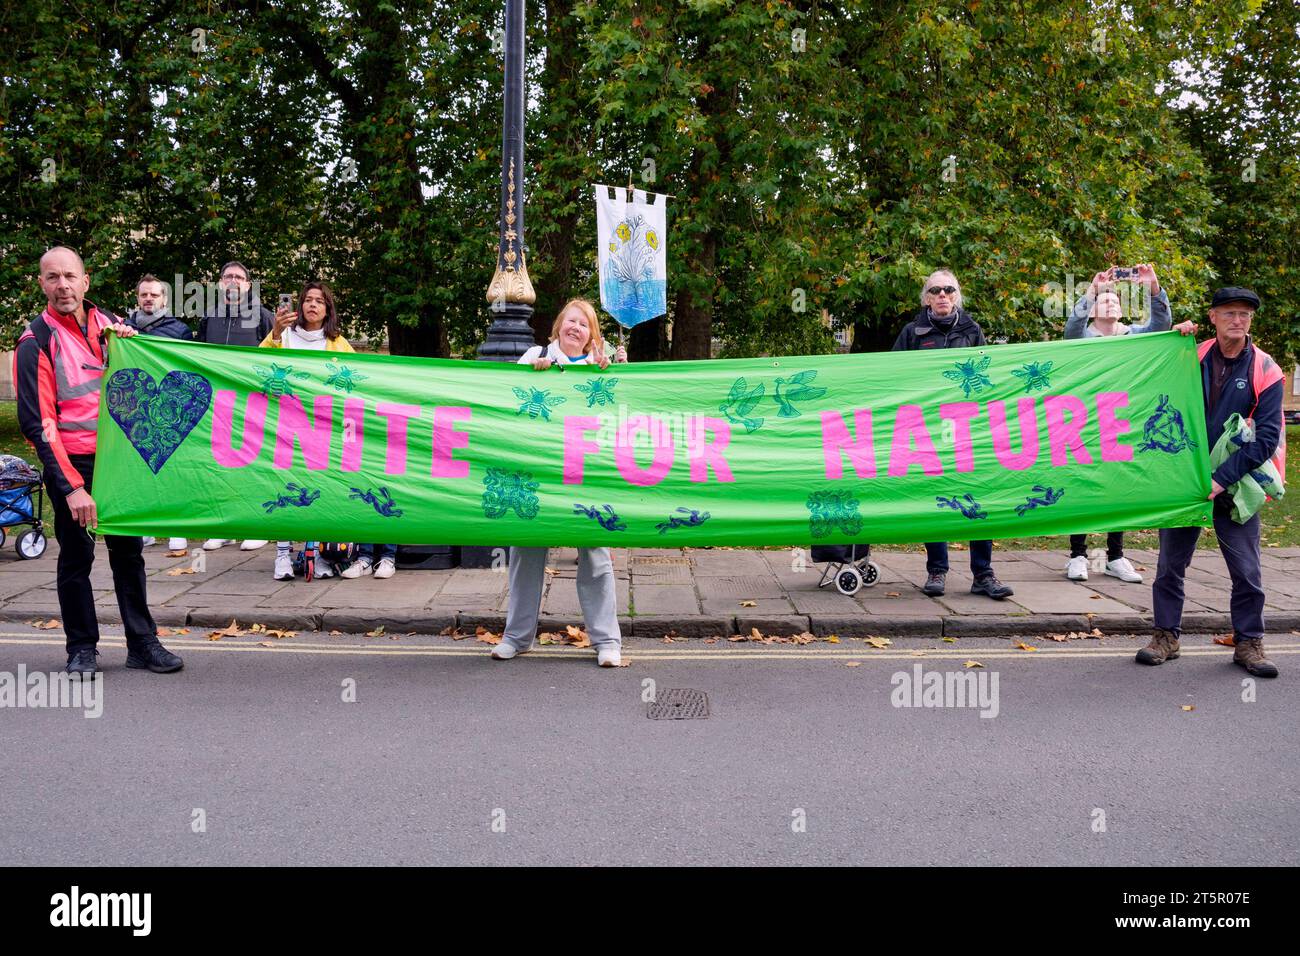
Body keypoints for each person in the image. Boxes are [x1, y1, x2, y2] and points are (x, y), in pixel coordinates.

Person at [14, 247, 183, 676]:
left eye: (70, 276)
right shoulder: (36, 342)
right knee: (76, 559)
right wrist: (72, 488)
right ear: (42, 284)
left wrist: (134, 348)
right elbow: (40, 426)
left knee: (129, 556)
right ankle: (82, 648)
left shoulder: (111, 324)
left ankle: (143, 643)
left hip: (119, 463)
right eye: (52, 277)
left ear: (85, 282)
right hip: (74, 464)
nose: (62, 285)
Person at [1141, 287, 1284, 677]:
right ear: (1213, 317)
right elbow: (1151, 377)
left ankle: (1249, 642)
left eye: (1244, 314)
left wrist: (1220, 479)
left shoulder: (1266, 369)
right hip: (1187, 480)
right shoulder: (1193, 353)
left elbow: (1267, 438)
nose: (1237, 320)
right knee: (1170, 565)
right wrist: (1175, 338)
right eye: (1229, 313)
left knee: (1247, 570)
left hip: (1237, 483)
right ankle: (1165, 636)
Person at [491, 298, 628, 667]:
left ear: (591, 336)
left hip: (586, 475)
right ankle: (516, 638)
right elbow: (504, 400)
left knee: (596, 556)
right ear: (557, 327)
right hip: (538, 475)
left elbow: (624, 411)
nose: (576, 328)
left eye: (584, 325)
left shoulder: (601, 369)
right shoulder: (534, 357)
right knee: (526, 555)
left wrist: (621, 372)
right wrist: (528, 374)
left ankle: (606, 642)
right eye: (570, 321)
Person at [892, 270, 1013, 601]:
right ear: (926, 298)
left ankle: (983, 574)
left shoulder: (972, 330)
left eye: (949, 289)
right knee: (937, 496)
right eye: (935, 290)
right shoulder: (912, 333)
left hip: (967, 428)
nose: (943, 295)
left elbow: (987, 377)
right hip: (928, 429)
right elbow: (893, 377)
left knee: (978, 496)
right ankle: (937, 570)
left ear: (957, 296)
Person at [1062, 264, 1172, 584]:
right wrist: (1092, 290)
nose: (1109, 303)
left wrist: (1153, 288)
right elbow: (1071, 327)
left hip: (1121, 422)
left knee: (1119, 486)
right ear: (1093, 309)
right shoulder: (1083, 338)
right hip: (1084, 422)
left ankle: (1115, 556)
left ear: (1123, 310)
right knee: (1082, 486)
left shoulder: (1133, 337)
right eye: (1103, 301)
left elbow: (1161, 323)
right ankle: (1078, 556)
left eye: (1114, 300)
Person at [260, 281, 356, 581]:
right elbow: (258, 366)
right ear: (299, 305)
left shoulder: (338, 342)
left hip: (323, 426)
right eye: (307, 300)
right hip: (288, 423)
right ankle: (282, 556)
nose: (312, 304)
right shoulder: (284, 335)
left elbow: (355, 380)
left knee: (319, 488)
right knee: (286, 487)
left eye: (320, 301)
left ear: (328, 309)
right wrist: (275, 333)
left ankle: (319, 555)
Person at [198, 260, 272, 553]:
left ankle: (258, 526)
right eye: (227, 276)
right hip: (219, 403)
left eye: (239, 277)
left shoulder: (263, 316)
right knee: (220, 464)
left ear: (248, 285)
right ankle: (225, 525)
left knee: (255, 464)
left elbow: (274, 354)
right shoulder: (209, 316)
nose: (232, 281)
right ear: (219, 283)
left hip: (253, 403)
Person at [128, 273, 193, 551]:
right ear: (137, 298)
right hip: (136, 408)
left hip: (170, 407)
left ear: (164, 298)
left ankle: (177, 528)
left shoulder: (180, 330)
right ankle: (148, 527)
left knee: (173, 470)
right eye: (144, 294)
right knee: (141, 469)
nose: (149, 299)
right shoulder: (124, 328)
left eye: (154, 294)